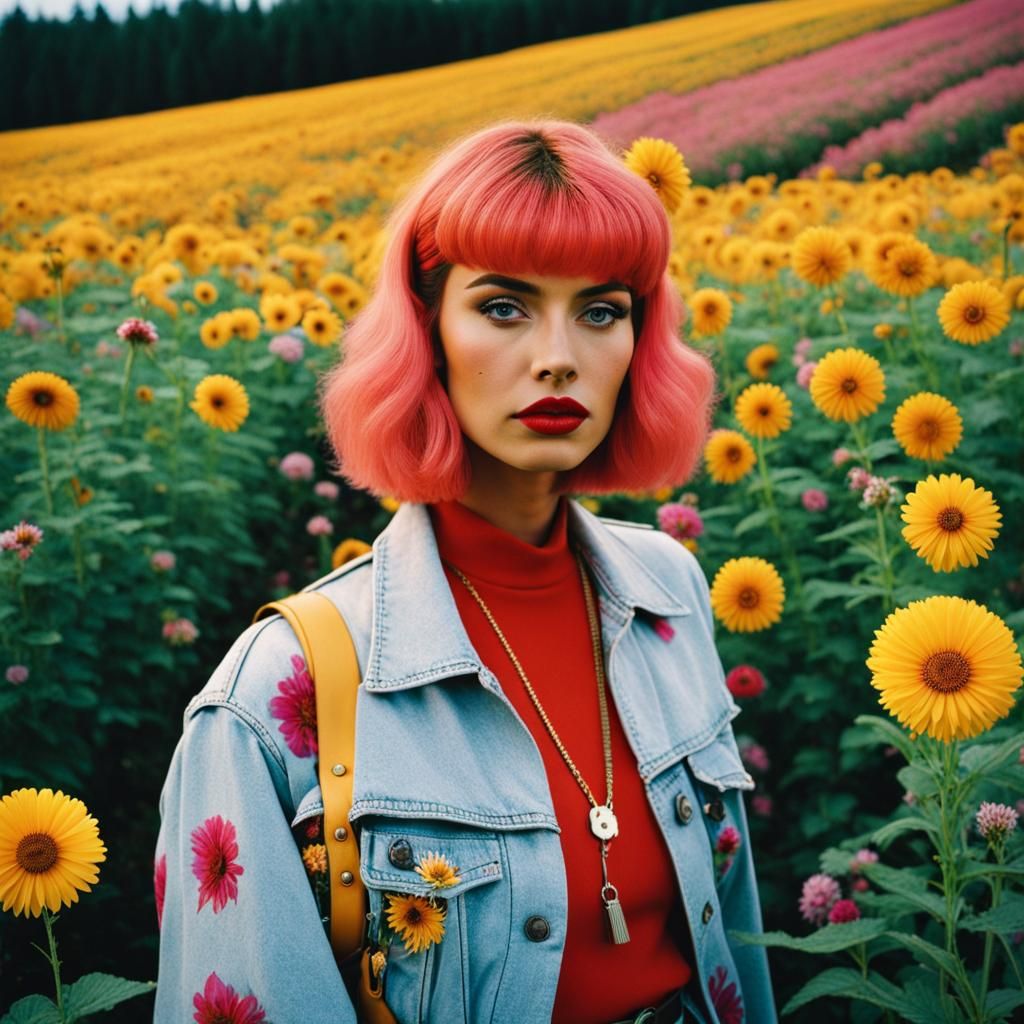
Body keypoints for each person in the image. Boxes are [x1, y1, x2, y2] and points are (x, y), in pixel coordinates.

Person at [154, 119, 777, 1024]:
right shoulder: (275, 694)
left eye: (601, 310)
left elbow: (733, 955)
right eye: (503, 306)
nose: (559, 354)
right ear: (427, 331)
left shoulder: (669, 592)